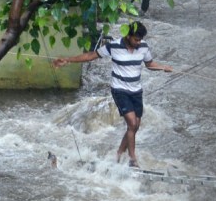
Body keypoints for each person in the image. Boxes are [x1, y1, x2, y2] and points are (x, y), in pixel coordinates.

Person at [52, 21, 172, 168]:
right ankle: (132, 159)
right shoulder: (113, 46)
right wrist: (67, 60)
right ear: (128, 36)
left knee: (134, 127)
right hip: (119, 90)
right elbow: (91, 55)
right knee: (132, 124)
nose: (138, 42)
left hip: (136, 91)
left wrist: (163, 68)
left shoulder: (143, 47)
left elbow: (150, 64)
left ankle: (119, 154)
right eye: (136, 39)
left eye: (140, 40)